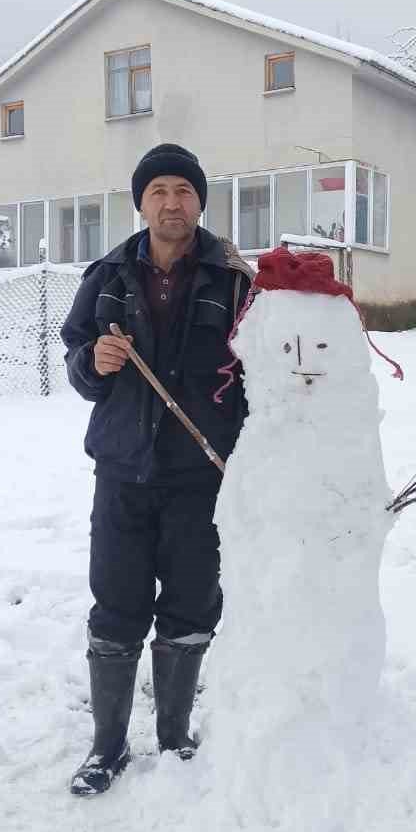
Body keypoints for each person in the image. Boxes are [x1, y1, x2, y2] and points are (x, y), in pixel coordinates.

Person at [61, 143, 253, 797]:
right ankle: (107, 746)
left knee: (192, 604)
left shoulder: (235, 281)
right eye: (159, 191)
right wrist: (94, 362)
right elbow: (77, 359)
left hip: (201, 478)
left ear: (200, 201)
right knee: (116, 607)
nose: (172, 203)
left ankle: (174, 736)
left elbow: (262, 376)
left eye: (184, 191)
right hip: (122, 472)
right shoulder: (107, 276)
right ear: (141, 203)